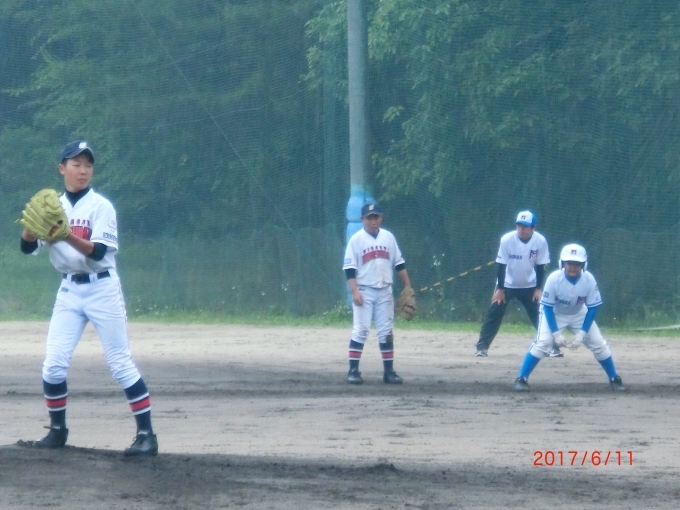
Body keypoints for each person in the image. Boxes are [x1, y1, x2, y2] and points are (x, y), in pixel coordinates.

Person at [20, 140, 158, 455]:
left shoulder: (101, 206)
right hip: (69, 290)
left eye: (88, 165)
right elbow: (27, 248)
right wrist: (30, 226)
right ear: (62, 169)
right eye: (76, 164)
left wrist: (66, 234)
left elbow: (98, 253)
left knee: (120, 363)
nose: (83, 170)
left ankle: (147, 436)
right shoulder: (52, 207)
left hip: (102, 288)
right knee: (53, 366)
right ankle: (57, 432)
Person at [513, 244, 626, 392]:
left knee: (598, 344)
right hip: (554, 313)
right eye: (569, 263)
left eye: (577, 264)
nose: (573, 267)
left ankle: (614, 378)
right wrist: (555, 333)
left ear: (583, 265)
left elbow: (592, 308)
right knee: (543, 343)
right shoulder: (554, 279)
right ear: (562, 263)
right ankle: (521, 378)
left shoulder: (589, 280)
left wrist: (582, 334)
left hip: (579, 313)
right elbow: (547, 307)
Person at [475, 211, 561, 357]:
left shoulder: (540, 241)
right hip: (507, 285)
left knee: (540, 315)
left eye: (525, 226)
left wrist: (538, 289)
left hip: (530, 285)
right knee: (494, 313)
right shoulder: (507, 240)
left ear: (533, 228)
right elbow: (501, 266)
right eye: (519, 225)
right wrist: (500, 289)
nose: (521, 229)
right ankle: (482, 347)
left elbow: (540, 267)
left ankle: (552, 347)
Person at [343, 202, 412, 385]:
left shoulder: (388, 238)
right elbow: (349, 269)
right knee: (361, 329)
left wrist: (407, 286)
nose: (373, 221)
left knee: (386, 331)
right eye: (369, 218)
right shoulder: (356, 240)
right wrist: (354, 291)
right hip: (364, 290)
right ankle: (353, 371)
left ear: (381, 218)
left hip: (385, 291)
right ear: (362, 219)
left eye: (376, 217)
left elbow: (399, 264)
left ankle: (389, 372)